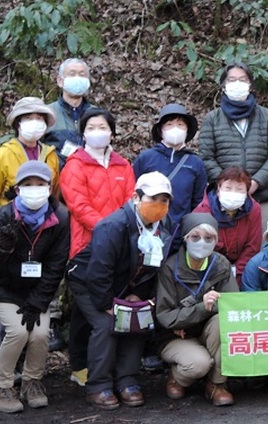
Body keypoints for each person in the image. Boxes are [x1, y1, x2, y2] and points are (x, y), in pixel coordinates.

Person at [67, 172, 176, 410]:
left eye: (165, 200)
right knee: (108, 325)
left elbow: (153, 266)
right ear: (136, 197)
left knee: (137, 320)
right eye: (154, 198)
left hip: (130, 283)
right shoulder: (113, 225)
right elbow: (99, 270)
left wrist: (139, 296)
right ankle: (98, 386)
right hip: (89, 281)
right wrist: (108, 303)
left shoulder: (163, 225)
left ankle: (127, 379)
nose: (160, 205)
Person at [0, 161, 69, 413]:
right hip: (3, 289)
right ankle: (1, 386)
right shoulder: (5, 215)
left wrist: (38, 302)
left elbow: (56, 266)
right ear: (18, 189)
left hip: (37, 291)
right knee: (17, 331)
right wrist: (2, 247)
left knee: (39, 333)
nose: (34, 189)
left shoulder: (60, 217)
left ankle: (31, 382)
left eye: (40, 184)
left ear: (50, 188)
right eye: (28, 185)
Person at [60, 107, 136, 386]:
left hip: (119, 248)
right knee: (87, 308)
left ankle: (105, 365)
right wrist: (111, 231)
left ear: (112, 132)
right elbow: (79, 206)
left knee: (101, 305)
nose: (97, 132)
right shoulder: (74, 165)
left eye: (102, 127)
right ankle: (80, 365)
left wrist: (122, 233)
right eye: (90, 127)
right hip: (86, 247)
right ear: (82, 133)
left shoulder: (123, 165)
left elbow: (131, 201)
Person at [156, 213, 238, 406]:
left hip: (206, 330)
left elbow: (232, 304)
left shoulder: (221, 264)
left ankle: (216, 384)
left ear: (216, 240)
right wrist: (202, 306)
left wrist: (210, 306)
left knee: (222, 323)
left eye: (209, 238)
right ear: (185, 238)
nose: (202, 242)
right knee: (199, 364)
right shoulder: (169, 268)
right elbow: (166, 316)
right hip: (175, 336)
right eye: (195, 237)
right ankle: (178, 378)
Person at [198, 62, 268, 229]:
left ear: (250, 85)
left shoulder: (267, 117)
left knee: (259, 246)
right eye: (231, 79)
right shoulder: (212, 119)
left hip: (261, 196)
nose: (237, 84)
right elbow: (206, 157)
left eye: (242, 79)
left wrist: (255, 183)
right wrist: (228, 185)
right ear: (223, 86)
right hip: (224, 197)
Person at [0, 97, 60, 235]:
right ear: (18, 123)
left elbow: (55, 194)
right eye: (28, 118)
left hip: (44, 227)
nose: (34, 122)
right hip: (9, 226)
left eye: (39, 118)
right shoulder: (2, 155)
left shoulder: (51, 155)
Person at [132, 104, 207, 234]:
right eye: (169, 124)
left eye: (180, 125)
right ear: (161, 130)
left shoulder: (195, 163)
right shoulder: (146, 157)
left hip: (179, 231)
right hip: (146, 227)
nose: (175, 129)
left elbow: (198, 201)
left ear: (187, 130)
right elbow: (132, 191)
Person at [191, 167, 263, 281]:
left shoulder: (254, 209)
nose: (233, 193)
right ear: (219, 188)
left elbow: (252, 246)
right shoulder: (203, 211)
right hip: (208, 270)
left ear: (247, 192)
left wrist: (237, 273)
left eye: (239, 189)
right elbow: (199, 248)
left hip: (242, 271)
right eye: (228, 188)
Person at [44, 58, 98, 164]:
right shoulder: (47, 113)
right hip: (56, 176)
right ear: (60, 81)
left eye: (82, 75)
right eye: (72, 74)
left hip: (90, 176)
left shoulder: (97, 115)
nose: (77, 78)